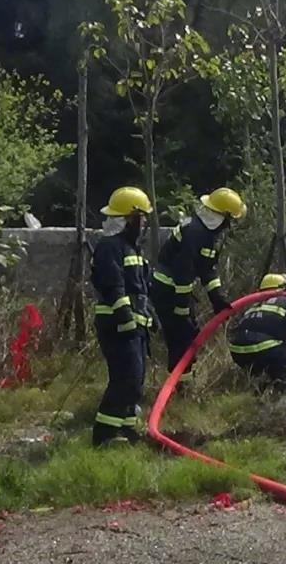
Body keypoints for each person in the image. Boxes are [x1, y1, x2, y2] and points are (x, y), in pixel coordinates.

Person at [151, 187, 246, 386]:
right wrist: (181, 307)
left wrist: (217, 297)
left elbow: (207, 269)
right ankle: (180, 387)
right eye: (231, 219)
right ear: (223, 216)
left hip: (176, 290)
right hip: (167, 290)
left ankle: (183, 383)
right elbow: (183, 272)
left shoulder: (208, 234)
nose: (231, 225)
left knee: (188, 336)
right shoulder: (195, 233)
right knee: (180, 338)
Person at [90, 186, 155, 447]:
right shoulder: (109, 247)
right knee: (125, 380)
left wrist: (149, 316)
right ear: (131, 218)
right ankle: (104, 435)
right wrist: (127, 317)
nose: (144, 224)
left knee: (136, 381)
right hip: (116, 326)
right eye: (142, 218)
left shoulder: (131, 248)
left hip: (133, 327)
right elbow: (113, 285)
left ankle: (128, 429)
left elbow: (139, 289)